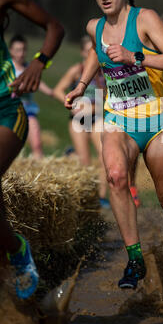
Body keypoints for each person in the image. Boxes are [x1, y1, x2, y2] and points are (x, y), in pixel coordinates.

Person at [64, 0, 163, 290]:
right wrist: (81, 85)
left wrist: (136, 56)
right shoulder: (95, 26)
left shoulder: (145, 18)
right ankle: (135, 259)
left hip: (157, 119)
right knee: (116, 176)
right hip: (118, 117)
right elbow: (97, 51)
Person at [0, 0, 64, 299]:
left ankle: (19, 248)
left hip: (0, 111)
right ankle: (12, 312)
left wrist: (40, 62)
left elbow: (55, 27)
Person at [53, 34, 110, 208]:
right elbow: (58, 90)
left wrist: (93, 108)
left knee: (104, 158)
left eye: (93, 51)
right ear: (82, 53)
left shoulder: (104, 72)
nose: (90, 55)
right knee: (85, 161)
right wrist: (71, 103)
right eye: (87, 51)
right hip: (78, 119)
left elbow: (108, 96)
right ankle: (87, 197)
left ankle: (101, 198)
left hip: (97, 117)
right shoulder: (77, 70)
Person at [9, 34, 54, 159]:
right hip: (10, 111)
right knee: (10, 147)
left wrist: (51, 92)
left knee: (37, 143)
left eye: (23, 49)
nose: (21, 53)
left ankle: (39, 169)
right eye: (18, 50)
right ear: (11, 51)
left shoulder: (29, 67)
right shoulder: (7, 68)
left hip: (28, 110)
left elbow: (37, 82)